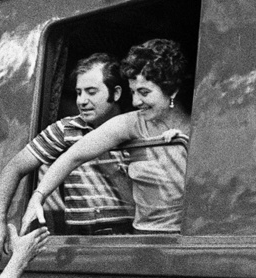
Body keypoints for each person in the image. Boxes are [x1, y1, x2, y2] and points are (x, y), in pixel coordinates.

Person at [24, 38, 192, 234]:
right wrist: (39, 196)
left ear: (172, 90)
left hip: (188, 238)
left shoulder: (199, 125)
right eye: (133, 92)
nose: (136, 101)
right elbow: (73, 156)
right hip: (145, 237)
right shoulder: (133, 122)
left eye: (144, 92)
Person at [0, 53, 136, 259]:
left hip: (129, 240)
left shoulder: (136, 127)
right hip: (78, 242)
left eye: (91, 92)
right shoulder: (66, 129)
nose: (82, 101)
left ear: (116, 93)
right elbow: (14, 167)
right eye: (78, 92)